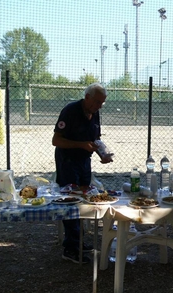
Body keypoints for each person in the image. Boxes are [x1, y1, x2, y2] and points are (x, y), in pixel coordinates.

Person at [52, 82, 113, 263]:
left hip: (85, 162)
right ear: (87, 97)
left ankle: (77, 242)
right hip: (68, 162)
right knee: (71, 202)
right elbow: (56, 140)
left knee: (85, 200)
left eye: (102, 103)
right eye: (97, 102)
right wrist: (81, 145)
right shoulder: (70, 111)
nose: (100, 106)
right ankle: (70, 248)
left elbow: (95, 138)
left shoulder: (94, 113)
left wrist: (101, 153)